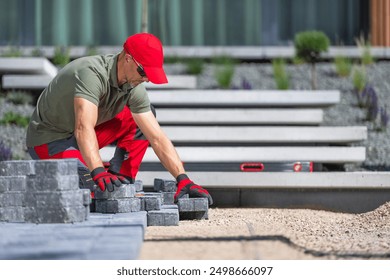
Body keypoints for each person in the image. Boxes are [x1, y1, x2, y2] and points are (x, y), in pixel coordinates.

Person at [26, 33, 213, 205]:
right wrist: (97, 171)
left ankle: (120, 178)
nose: (146, 79)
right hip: (50, 140)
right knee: (90, 193)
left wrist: (183, 179)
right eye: (143, 72)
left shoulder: (133, 87)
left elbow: (157, 137)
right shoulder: (91, 74)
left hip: (79, 136)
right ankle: (98, 176)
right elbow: (83, 128)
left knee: (141, 117)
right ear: (128, 58)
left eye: (149, 74)